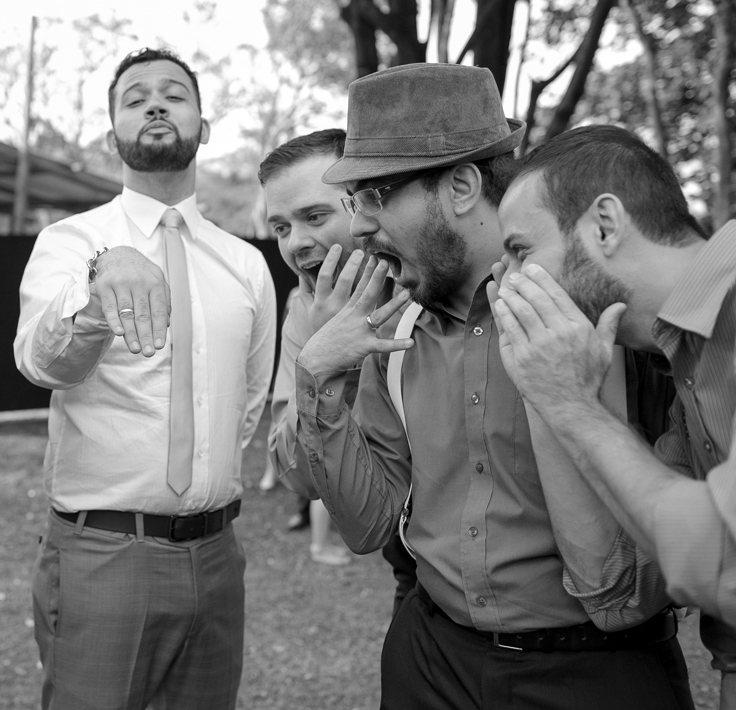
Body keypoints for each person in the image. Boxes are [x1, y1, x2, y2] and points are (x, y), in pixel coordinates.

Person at [296, 63, 693, 709]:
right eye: (354, 201)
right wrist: (318, 375)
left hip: (598, 673)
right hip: (430, 660)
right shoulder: (390, 332)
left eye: (375, 195)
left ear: (460, 186)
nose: (360, 225)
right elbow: (367, 527)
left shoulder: (611, 315)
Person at [14, 47, 275, 710]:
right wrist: (100, 286)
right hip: (103, 554)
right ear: (113, 137)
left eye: (173, 94)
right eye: (135, 99)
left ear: (203, 127)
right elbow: (42, 364)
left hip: (218, 556)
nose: (155, 104)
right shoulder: (71, 243)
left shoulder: (246, 265)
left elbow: (247, 401)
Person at [488, 124, 736, 703]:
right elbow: (619, 592)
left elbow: (719, 554)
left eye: (521, 252)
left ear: (604, 224)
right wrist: (553, 398)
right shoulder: (685, 357)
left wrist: (572, 404)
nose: (508, 283)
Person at [260, 129, 353, 567]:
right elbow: (298, 473)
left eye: (314, 217)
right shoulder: (303, 307)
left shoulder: (429, 287)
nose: (295, 242)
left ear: (366, 203)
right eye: (281, 227)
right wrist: (323, 356)